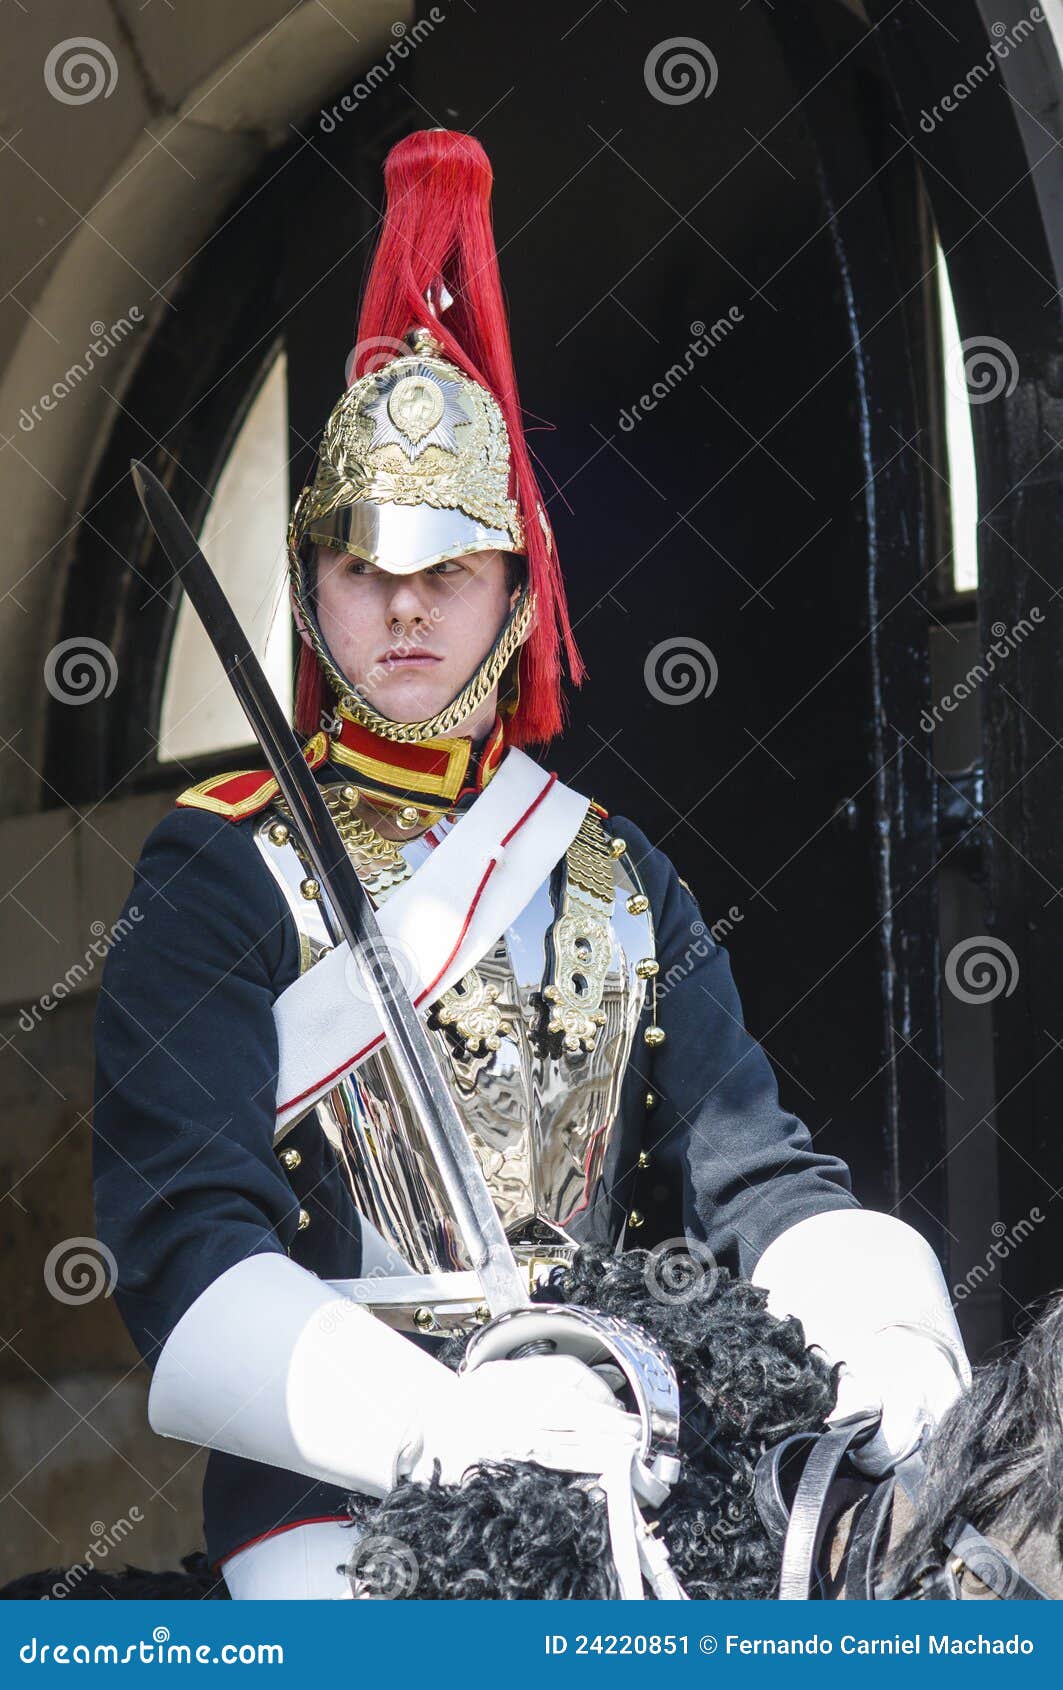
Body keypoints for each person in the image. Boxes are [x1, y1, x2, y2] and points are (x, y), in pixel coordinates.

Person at [92, 129, 970, 1600]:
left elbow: (756, 1176)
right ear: (311, 590)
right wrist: (441, 1422)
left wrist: (885, 1329)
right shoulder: (218, 871)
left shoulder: (616, 875)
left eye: (449, 570)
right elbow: (186, 1256)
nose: (406, 611)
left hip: (634, 1452)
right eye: (365, 569)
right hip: (346, 1491)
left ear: (516, 590)